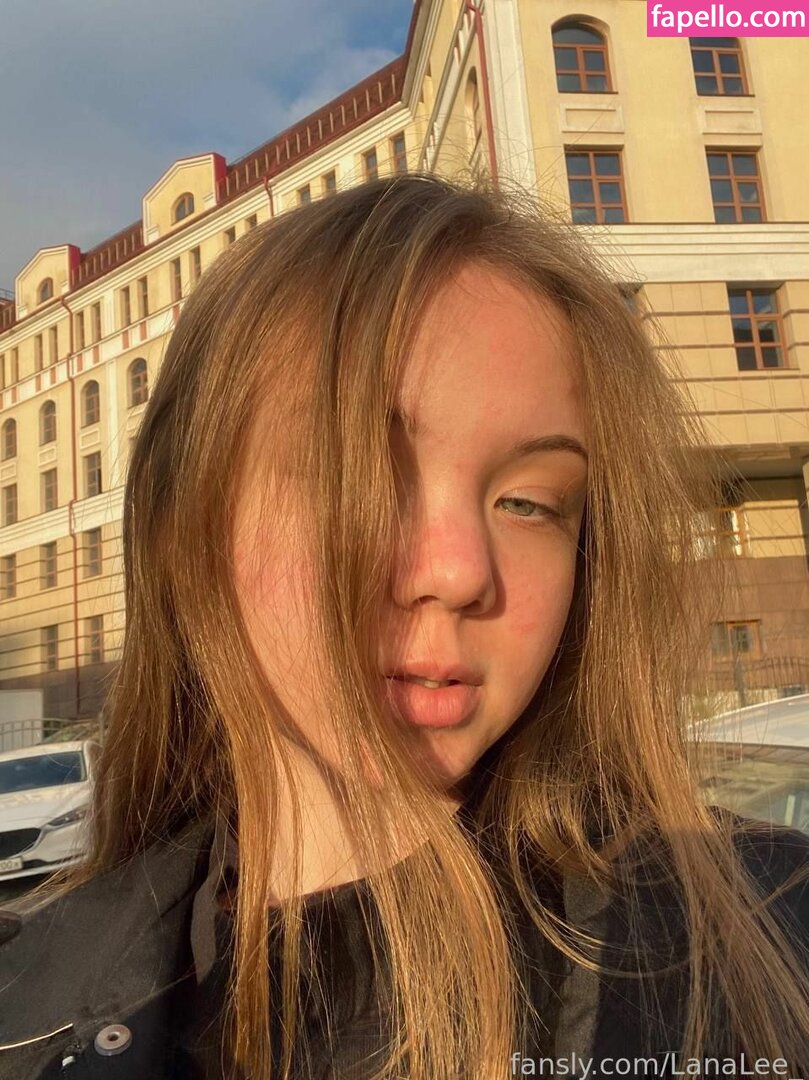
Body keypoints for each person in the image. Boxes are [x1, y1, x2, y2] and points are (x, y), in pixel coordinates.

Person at [0, 175, 807, 1080]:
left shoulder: (769, 934)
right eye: (361, 473)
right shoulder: (25, 1005)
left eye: (530, 503)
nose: (459, 573)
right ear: (186, 525)